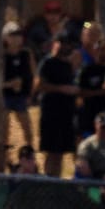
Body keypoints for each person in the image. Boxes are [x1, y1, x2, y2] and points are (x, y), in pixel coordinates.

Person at [37, 33, 79, 176]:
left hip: (66, 113)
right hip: (51, 112)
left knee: (61, 152)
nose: (64, 47)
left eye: (67, 44)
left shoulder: (67, 65)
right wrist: (61, 89)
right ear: (55, 43)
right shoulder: (47, 63)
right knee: (51, 150)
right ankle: (48, 180)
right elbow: (39, 85)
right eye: (61, 43)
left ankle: (57, 182)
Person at [77, 37, 105, 134]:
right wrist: (101, 91)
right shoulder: (87, 70)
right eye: (102, 50)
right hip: (90, 116)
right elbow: (80, 93)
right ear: (95, 50)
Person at [1, 21, 34, 150]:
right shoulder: (2, 56)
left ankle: (29, 157)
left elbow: (33, 75)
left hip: (21, 96)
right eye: (12, 35)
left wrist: (30, 94)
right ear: (5, 37)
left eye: (19, 34)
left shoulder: (26, 54)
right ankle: (3, 160)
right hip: (5, 96)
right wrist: (10, 84)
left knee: (28, 130)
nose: (16, 38)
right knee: (4, 131)